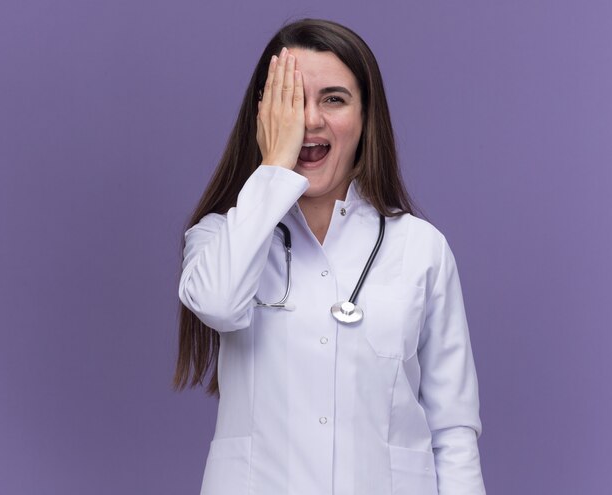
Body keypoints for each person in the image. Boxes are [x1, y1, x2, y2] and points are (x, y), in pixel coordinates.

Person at [174, 18, 486, 495]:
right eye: (291, 101)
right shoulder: (221, 239)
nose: (311, 120)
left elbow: (453, 430)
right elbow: (218, 303)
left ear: (366, 118)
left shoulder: (421, 248)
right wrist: (275, 164)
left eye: (333, 99)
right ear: (265, 117)